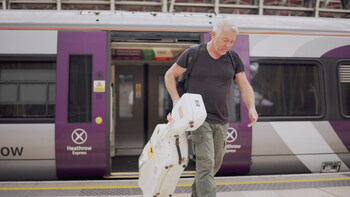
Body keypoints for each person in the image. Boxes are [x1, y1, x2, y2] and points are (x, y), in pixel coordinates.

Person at [164, 19, 258, 197]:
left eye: (232, 41)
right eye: (225, 40)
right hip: (199, 119)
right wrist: (176, 100)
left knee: (213, 165)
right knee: (206, 164)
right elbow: (170, 75)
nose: (228, 45)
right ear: (213, 34)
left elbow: (244, 85)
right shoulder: (194, 54)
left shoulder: (233, 58)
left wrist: (251, 107)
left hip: (222, 119)